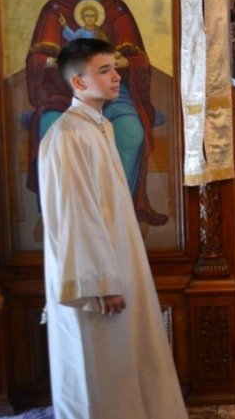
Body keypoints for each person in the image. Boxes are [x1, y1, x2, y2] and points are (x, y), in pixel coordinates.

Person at [38, 38, 186, 419]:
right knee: (95, 370)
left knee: (121, 363)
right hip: (95, 284)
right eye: (104, 70)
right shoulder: (68, 136)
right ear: (79, 83)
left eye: (114, 68)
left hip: (115, 266)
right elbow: (75, 216)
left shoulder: (99, 127)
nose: (116, 76)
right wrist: (100, 283)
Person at [27, 0, 167, 226]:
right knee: (50, 128)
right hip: (63, 91)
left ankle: (119, 209)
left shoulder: (117, 10)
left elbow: (137, 57)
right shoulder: (55, 10)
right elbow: (38, 57)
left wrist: (116, 63)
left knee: (131, 131)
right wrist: (57, 62)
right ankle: (65, 213)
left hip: (111, 91)